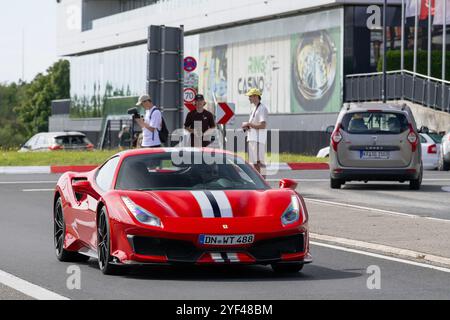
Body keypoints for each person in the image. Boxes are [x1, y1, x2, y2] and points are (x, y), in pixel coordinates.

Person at [242, 88, 268, 174]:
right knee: (255, 162)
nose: (249, 98)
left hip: (258, 139)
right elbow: (254, 124)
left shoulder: (262, 108)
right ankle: (260, 182)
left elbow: (263, 125)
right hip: (253, 138)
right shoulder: (254, 108)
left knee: (260, 162)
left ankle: (263, 181)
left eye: (250, 96)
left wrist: (249, 124)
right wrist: (247, 126)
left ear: (256, 96)